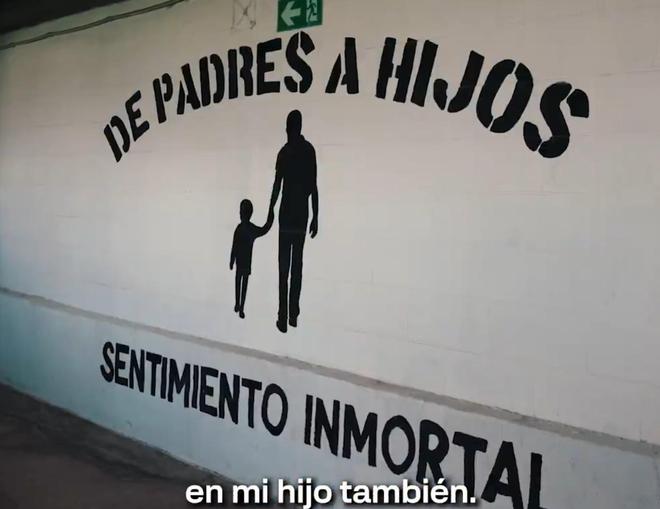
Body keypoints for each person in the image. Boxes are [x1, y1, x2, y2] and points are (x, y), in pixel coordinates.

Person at [268, 110, 319, 333]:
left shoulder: (285, 152)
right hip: (298, 216)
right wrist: (315, 215)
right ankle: (291, 314)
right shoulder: (307, 151)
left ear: (290, 128)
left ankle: (285, 314)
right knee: (294, 267)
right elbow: (313, 186)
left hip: (289, 216)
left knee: (285, 268)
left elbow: (277, 185)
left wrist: (270, 209)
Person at [230, 199, 274, 318]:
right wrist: (270, 216)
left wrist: (232, 260)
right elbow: (264, 229)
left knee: (240, 282)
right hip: (244, 262)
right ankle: (239, 305)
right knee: (242, 283)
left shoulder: (240, 228)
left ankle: (239, 305)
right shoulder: (249, 229)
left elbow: (234, 246)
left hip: (241, 262)